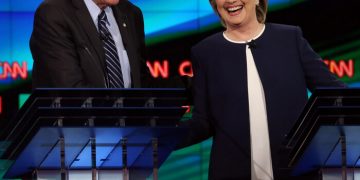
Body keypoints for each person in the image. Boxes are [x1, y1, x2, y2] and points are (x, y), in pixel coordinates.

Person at [179, 0, 346, 179]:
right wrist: (160, 137)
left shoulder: (290, 38)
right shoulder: (205, 52)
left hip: (296, 172)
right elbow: (202, 123)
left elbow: (335, 95)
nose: (230, 1)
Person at [30, 0, 150, 88]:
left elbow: (142, 79)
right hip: (78, 121)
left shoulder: (131, 13)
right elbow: (70, 90)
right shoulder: (54, 14)